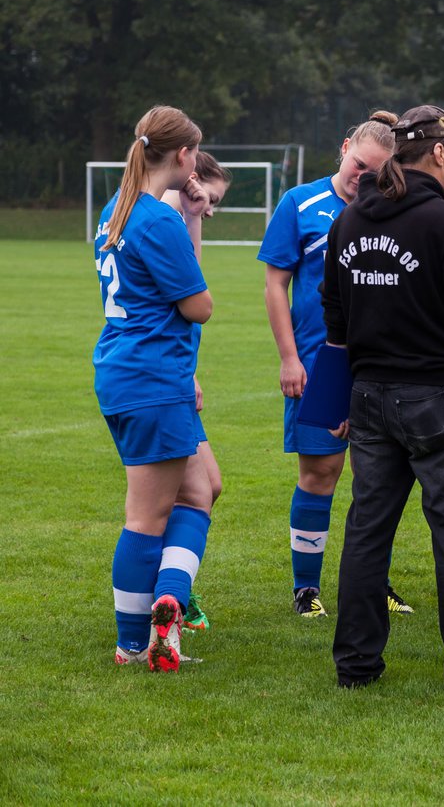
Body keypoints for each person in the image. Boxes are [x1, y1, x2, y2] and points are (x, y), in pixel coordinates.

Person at [323, 104, 444, 691]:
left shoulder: (350, 219)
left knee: (367, 532)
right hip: (440, 397)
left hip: (370, 395)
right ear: (438, 152)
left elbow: (335, 316)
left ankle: (356, 665)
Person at [258, 110, 414, 618]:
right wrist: (288, 358)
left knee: (382, 478)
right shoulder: (299, 203)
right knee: (321, 470)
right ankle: (307, 589)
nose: (362, 177)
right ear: (344, 148)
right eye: (358, 164)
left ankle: (374, 584)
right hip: (320, 361)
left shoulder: (398, 210)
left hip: (385, 362)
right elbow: (275, 284)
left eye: (376, 172)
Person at [94, 105, 213, 672]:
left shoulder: (113, 210)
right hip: (153, 378)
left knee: (202, 488)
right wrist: (186, 221)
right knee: (145, 517)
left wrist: (190, 214)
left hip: (125, 371)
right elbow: (198, 305)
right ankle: (134, 643)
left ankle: (169, 600)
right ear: (184, 155)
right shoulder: (153, 218)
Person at [161, 151, 233, 634]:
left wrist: (189, 370)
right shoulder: (164, 217)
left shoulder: (176, 214)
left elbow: (186, 286)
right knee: (184, 495)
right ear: (191, 178)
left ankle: (173, 585)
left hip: (173, 373)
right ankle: (169, 595)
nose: (211, 211)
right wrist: (181, 372)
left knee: (209, 486)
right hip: (159, 379)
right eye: (213, 200)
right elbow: (189, 301)